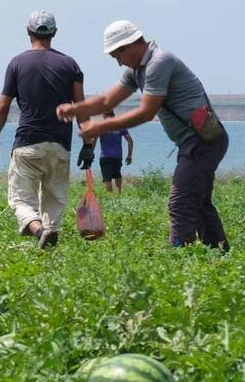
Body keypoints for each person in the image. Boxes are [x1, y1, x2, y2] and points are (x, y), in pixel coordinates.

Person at [56, 20, 229, 251]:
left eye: (118, 55)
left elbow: (146, 113)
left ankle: (182, 259)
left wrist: (100, 128)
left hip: (201, 142)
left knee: (180, 203)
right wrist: (75, 109)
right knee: (199, 203)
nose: (119, 62)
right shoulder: (136, 71)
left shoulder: (159, 63)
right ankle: (218, 253)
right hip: (192, 143)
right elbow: (108, 101)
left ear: (131, 45)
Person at [0, 10, 86, 250]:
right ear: (55, 33)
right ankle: (49, 251)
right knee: (54, 202)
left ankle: (39, 231)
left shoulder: (17, 63)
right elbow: (81, 107)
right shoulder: (70, 65)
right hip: (60, 145)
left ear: (28, 31)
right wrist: (89, 144)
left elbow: (2, 106)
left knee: (20, 200)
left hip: (28, 143)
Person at [97, 111, 135, 193]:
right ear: (113, 116)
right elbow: (130, 141)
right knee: (117, 175)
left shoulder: (101, 127)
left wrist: (90, 151)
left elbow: (94, 140)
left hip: (105, 156)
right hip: (117, 157)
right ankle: (119, 194)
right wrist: (129, 155)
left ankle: (110, 197)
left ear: (104, 116)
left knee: (107, 178)